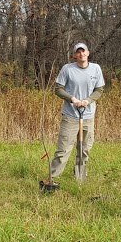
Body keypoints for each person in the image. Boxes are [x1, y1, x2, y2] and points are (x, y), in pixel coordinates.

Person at [41, 42, 106, 190]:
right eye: (78, 52)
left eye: (83, 52)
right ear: (74, 55)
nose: (81, 54)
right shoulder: (67, 69)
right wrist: (73, 99)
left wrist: (87, 101)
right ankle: (52, 179)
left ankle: (80, 177)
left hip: (88, 116)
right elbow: (58, 89)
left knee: (84, 148)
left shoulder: (96, 69)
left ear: (88, 53)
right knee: (63, 149)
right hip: (70, 116)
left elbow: (99, 90)